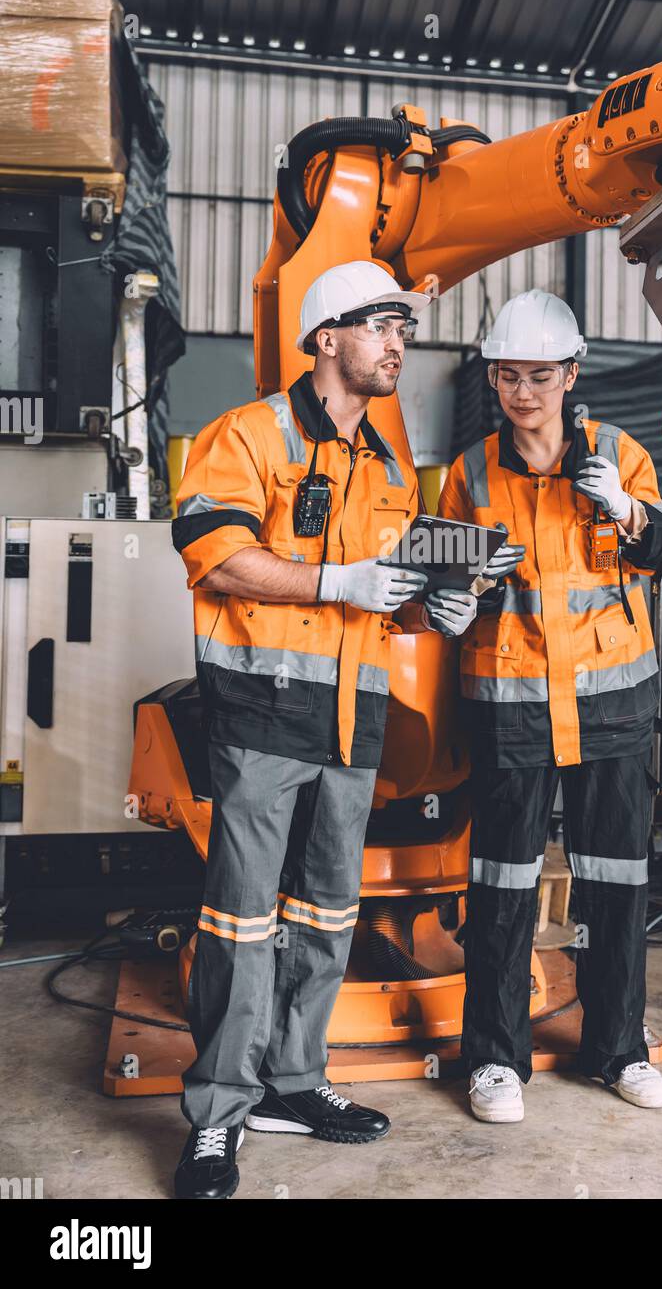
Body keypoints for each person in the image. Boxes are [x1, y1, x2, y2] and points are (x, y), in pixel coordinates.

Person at [170, 260, 435, 1198]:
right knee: (240, 923)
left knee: (327, 916)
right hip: (259, 715)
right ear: (326, 338)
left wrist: (424, 609)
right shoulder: (246, 434)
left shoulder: (388, 465)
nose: (397, 343)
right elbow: (217, 553)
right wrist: (337, 582)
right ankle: (218, 1116)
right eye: (378, 326)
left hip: (352, 721)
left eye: (403, 328)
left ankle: (294, 1082)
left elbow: (379, 598)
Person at [428, 288, 662, 1123]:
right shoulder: (465, 474)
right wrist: (452, 601)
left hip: (612, 706)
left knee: (616, 884)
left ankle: (619, 1050)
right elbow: (442, 580)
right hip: (512, 707)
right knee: (500, 888)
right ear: (492, 381)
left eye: (540, 374)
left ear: (572, 374)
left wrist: (630, 511)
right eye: (506, 376)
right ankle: (495, 1061)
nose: (522, 393)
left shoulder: (621, 455)